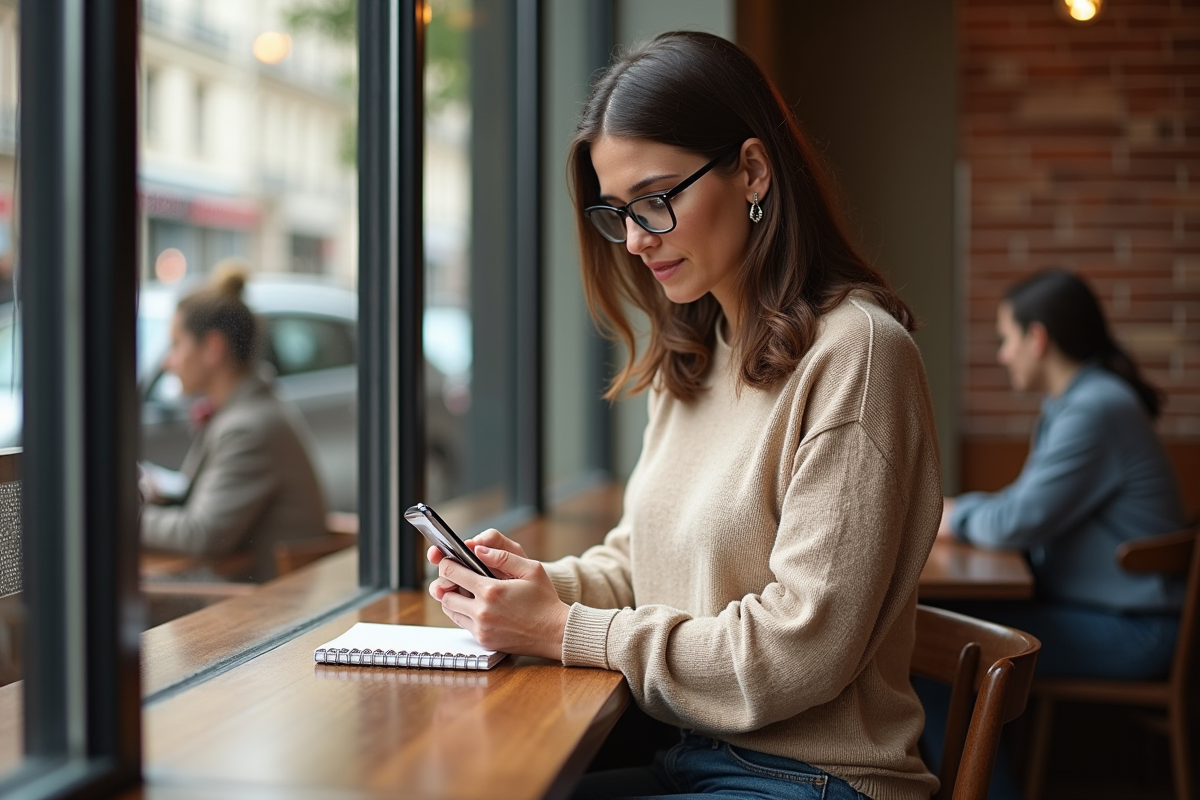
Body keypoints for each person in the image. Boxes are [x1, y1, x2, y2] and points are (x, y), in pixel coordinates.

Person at [427, 31, 943, 800]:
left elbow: (796, 654)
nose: (636, 240)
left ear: (753, 171)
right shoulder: (696, 356)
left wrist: (560, 629)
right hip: (695, 754)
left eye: (657, 200)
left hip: (814, 779)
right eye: (618, 211)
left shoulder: (858, 355)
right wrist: (528, 589)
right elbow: (643, 566)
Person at [927, 269, 1186, 800]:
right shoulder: (1080, 402)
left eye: (1006, 338)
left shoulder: (1095, 409)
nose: (1003, 355)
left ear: (1038, 338)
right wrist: (966, 512)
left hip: (1136, 631)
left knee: (944, 650)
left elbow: (1015, 522)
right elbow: (1023, 506)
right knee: (944, 633)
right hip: (1112, 614)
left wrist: (947, 515)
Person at [140, 265, 328, 583]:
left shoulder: (248, 427)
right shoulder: (248, 410)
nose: (167, 361)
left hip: (265, 603)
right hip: (259, 592)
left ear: (213, 348)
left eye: (175, 344)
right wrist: (160, 495)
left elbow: (201, 533)